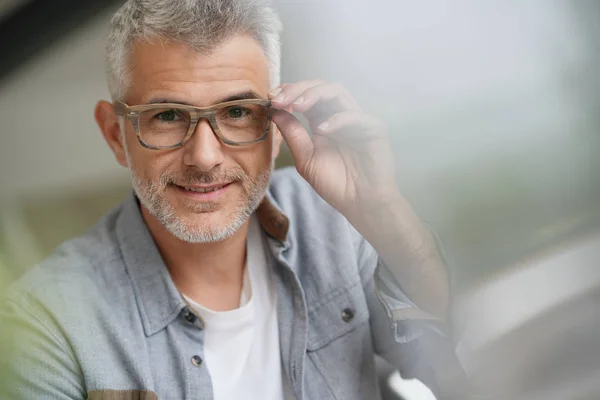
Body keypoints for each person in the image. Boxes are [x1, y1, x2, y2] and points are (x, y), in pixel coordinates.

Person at [1, 0, 469, 399]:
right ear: (115, 135)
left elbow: (451, 354)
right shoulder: (44, 325)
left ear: (279, 127)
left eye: (239, 112)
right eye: (166, 115)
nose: (204, 157)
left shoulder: (332, 219)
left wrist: (381, 210)